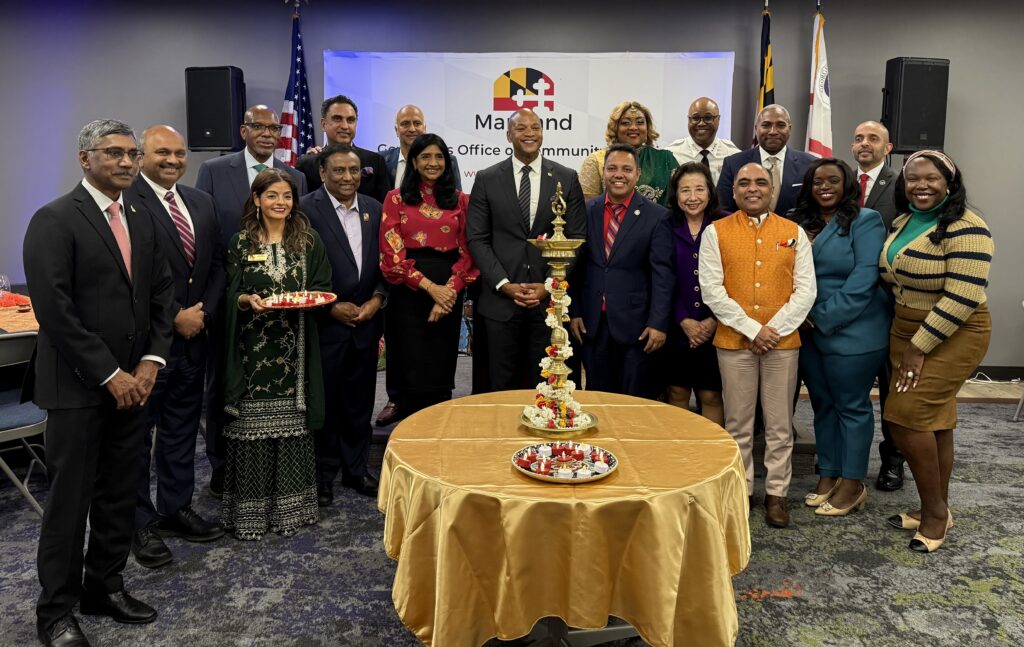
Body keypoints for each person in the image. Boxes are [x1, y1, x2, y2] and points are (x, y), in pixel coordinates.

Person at [24, 119, 175, 646]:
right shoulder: (55, 219)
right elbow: (56, 312)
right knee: (71, 504)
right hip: (79, 390)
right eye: (114, 153)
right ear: (84, 158)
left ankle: (104, 587)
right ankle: (56, 614)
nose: (127, 162)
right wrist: (111, 374)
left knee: (119, 495)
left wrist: (151, 363)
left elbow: (162, 295)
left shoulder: (141, 216)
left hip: (136, 385)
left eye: (133, 154)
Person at [879, 150, 993, 552]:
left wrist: (918, 347)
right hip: (906, 330)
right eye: (913, 179)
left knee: (907, 420)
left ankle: (934, 516)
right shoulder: (905, 221)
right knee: (934, 421)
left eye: (931, 179)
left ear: (950, 182)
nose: (921, 186)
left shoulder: (968, 227)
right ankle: (937, 505)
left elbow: (961, 299)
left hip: (953, 333)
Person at [125, 125, 226, 570]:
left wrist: (203, 312)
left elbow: (218, 264)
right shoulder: (126, 202)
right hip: (146, 348)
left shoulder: (200, 202)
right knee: (135, 438)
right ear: (141, 156)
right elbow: (126, 278)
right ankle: (138, 524)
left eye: (179, 153)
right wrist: (173, 318)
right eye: (161, 152)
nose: (172, 159)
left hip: (194, 342)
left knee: (182, 431)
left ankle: (174, 508)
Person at [195, 104, 308, 499]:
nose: (266, 132)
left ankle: (276, 469)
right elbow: (206, 233)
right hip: (228, 295)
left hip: (284, 312)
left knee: (278, 392)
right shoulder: (214, 170)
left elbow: (297, 232)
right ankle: (222, 466)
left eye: (273, 126)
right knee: (223, 382)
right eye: (257, 126)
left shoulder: (295, 176)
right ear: (243, 131)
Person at [699, 163, 816, 528]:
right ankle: (742, 490)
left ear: (773, 189)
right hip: (734, 343)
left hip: (783, 344)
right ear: (733, 191)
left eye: (761, 182)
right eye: (744, 183)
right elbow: (712, 290)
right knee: (738, 422)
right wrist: (752, 329)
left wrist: (773, 330)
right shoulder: (715, 233)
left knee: (781, 424)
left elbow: (806, 290)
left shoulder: (794, 231)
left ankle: (777, 494)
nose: (753, 188)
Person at [222, 169, 332, 540]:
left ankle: (292, 510)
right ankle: (249, 514)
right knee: (250, 429)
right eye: (272, 195)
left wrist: (307, 299)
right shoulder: (240, 242)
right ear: (256, 199)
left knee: (293, 430)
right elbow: (230, 291)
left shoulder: (308, 240)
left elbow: (322, 287)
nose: (280, 202)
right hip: (251, 350)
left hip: (295, 350)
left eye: (286, 196)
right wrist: (244, 300)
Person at [788, 158, 891, 517]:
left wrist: (822, 316)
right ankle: (828, 473)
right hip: (808, 333)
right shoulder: (798, 222)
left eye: (833, 180)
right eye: (817, 181)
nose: (825, 187)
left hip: (853, 331)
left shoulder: (865, 221)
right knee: (823, 405)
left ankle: (853, 481)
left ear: (847, 185)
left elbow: (864, 278)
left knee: (852, 407)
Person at [467, 108, 586, 390]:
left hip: (549, 303)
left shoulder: (566, 178)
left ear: (543, 133)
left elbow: (577, 238)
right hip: (500, 303)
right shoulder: (486, 178)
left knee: (546, 385)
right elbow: (477, 238)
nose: (529, 133)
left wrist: (549, 284)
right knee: (499, 387)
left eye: (535, 127)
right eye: (521, 128)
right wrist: (504, 284)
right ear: (509, 134)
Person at [300, 144, 388, 504]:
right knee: (327, 403)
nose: (348, 178)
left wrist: (378, 299)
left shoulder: (375, 209)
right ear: (323, 173)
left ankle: (356, 469)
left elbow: (389, 263)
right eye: (338, 171)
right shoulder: (305, 210)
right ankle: (323, 473)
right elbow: (297, 268)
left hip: (366, 322)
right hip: (327, 324)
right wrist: (330, 306)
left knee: (359, 402)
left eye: (354, 171)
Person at [379, 133, 478, 414]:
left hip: (449, 291)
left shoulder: (461, 201)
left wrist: (447, 292)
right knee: (408, 361)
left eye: (439, 157)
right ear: (413, 161)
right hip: (408, 292)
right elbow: (391, 254)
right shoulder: (395, 199)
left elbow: (469, 252)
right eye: (425, 156)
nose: (433, 163)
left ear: (447, 162)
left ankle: (438, 422)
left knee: (439, 362)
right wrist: (431, 289)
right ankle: (405, 419)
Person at [569, 143, 674, 398]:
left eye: (626, 169)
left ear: (637, 174)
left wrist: (658, 323)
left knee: (634, 401)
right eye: (612, 168)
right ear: (603, 172)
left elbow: (663, 275)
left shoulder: (658, 216)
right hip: (592, 324)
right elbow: (576, 268)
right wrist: (575, 311)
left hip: (637, 326)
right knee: (597, 397)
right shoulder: (586, 211)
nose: (619, 174)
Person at [851, 120, 905, 491]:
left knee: (891, 387)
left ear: (888, 148)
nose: (864, 144)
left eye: (873, 138)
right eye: (858, 138)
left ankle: (893, 461)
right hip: (845, 300)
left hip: (887, 301)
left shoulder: (901, 185)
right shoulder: (839, 181)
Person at [665, 162, 725, 425]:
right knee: (677, 390)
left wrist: (713, 320)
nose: (692, 197)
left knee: (711, 394)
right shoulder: (664, 224)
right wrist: (683, 319)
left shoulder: (726, 222)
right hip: (677, 324)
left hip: (717, 325)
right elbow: (661, 277)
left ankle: (712, 457)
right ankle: (678, 456)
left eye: (699, 189)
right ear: (675, 194)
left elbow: (735, 275)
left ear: (710, 192)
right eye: (685, 190)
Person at [717, 104, 814, 216]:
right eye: (766, 125)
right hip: (744, 231)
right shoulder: (733, 163)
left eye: (781, 125)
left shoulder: (809, 164)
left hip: (795, 232)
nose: (773, 131)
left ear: (789, 129)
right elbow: (724, 210)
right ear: (756, 129)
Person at [579, 101, 679, 206]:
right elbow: (588, 206)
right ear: (615, 127)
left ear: (647, 127)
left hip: (659, 221)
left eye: (640, 122)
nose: (633, 127)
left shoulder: (665, 158)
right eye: (625, 123)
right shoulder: (597, 160)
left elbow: (680, 197)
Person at [296, 94, 390, 201]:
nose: (345, 126)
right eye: (337, 119)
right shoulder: (307, 163)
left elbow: (385, 208)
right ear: (323, 124)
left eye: (350, 120)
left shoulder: (375, 161)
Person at [383, 104, 463, 190]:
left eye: (417, 124)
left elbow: (456, 198)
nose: (412, 129)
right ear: (396, 130)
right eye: (405, 124)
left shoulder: (448, 161)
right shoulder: (382, 160)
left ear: (424, 128)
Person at [665, 97, 740, 183]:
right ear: (689, 120)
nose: (701, 123)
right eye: (695, 118)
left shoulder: (733, 155)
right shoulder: (671, 154)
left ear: (718, 119)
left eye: (708, 118)